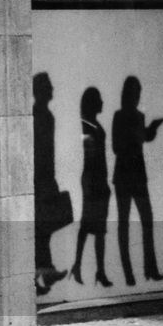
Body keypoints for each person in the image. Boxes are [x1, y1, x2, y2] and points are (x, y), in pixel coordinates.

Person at [111, 77, 163, 286]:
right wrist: (140, 134)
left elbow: (143, 139)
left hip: (135, 175)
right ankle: (128, 273)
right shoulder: (120, 116)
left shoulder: (137, 116)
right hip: (125, 175)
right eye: (135, 92)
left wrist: (150, 129)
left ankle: (149, 269)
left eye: (138, 93)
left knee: (146, 221)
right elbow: (117, 146)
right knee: (125, 223)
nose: (136, 97)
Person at [71, 86, 113, 287]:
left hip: (94, 179)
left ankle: (84, 267)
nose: (103, 102)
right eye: (99, 99)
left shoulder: (90, 124)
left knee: (90, 226)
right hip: (94, 179)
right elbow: (92, 157)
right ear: (93, 103)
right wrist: (97, 184)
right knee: (95, 227)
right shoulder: (88, 126)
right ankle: (96, 271)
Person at [32, 72, 68, 295]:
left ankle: (44, 274)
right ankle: (44, 273)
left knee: (42, 231)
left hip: (45, 179)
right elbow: (41, 153)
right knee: (40, 231)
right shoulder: (40, 115)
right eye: (49, 86)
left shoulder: (46, 115)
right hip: (41, 180)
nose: (53, 89)